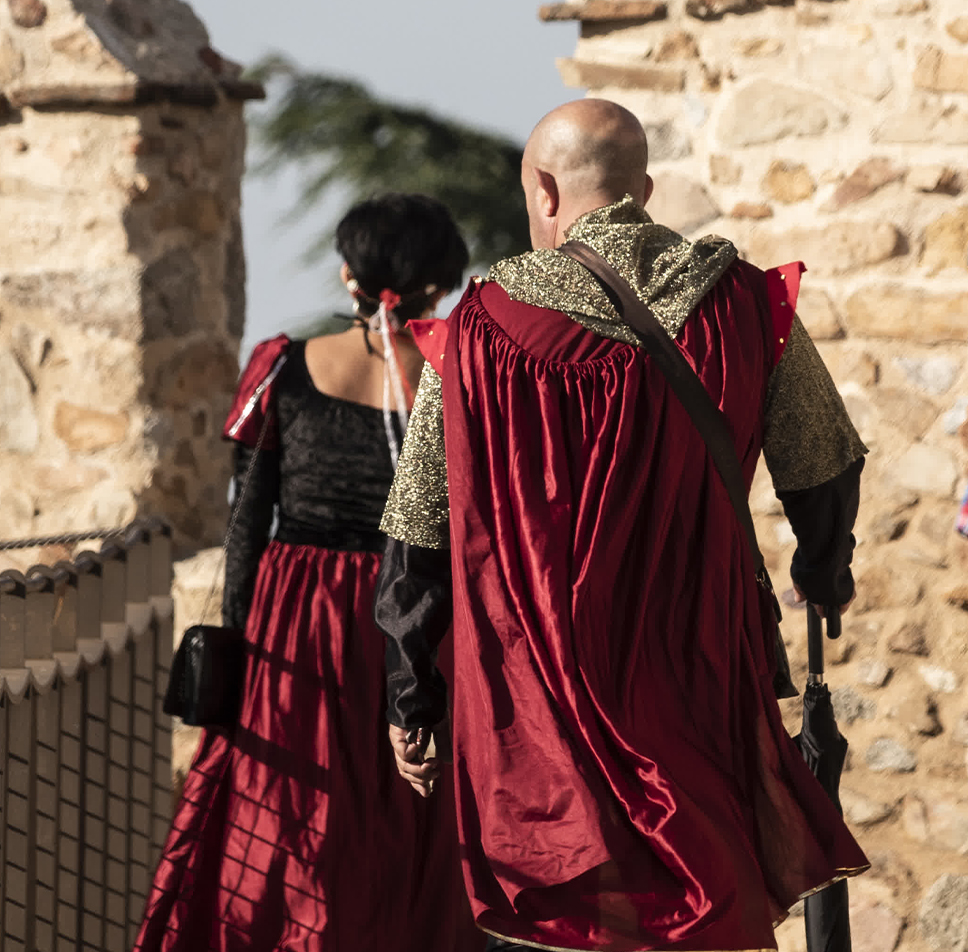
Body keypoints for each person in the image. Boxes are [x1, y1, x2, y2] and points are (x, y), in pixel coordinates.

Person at [374, 99, 869, 952]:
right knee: (707, 888)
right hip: (702, 655)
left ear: (543, 188)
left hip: (544, 679)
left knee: (582, 899)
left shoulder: (481, 329)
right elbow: (824, 464)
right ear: (644, 189)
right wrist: (824, 576)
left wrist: (409, 697)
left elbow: (420, 525)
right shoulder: (746, 303)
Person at [136, 194, 481, 952]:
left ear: (348, 275)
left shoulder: (285, 365)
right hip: (416, 612)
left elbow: (245, 519)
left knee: (291, 799)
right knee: (405, 804)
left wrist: (238, 638)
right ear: (440, 285)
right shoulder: (458, 380)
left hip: (298, 613)